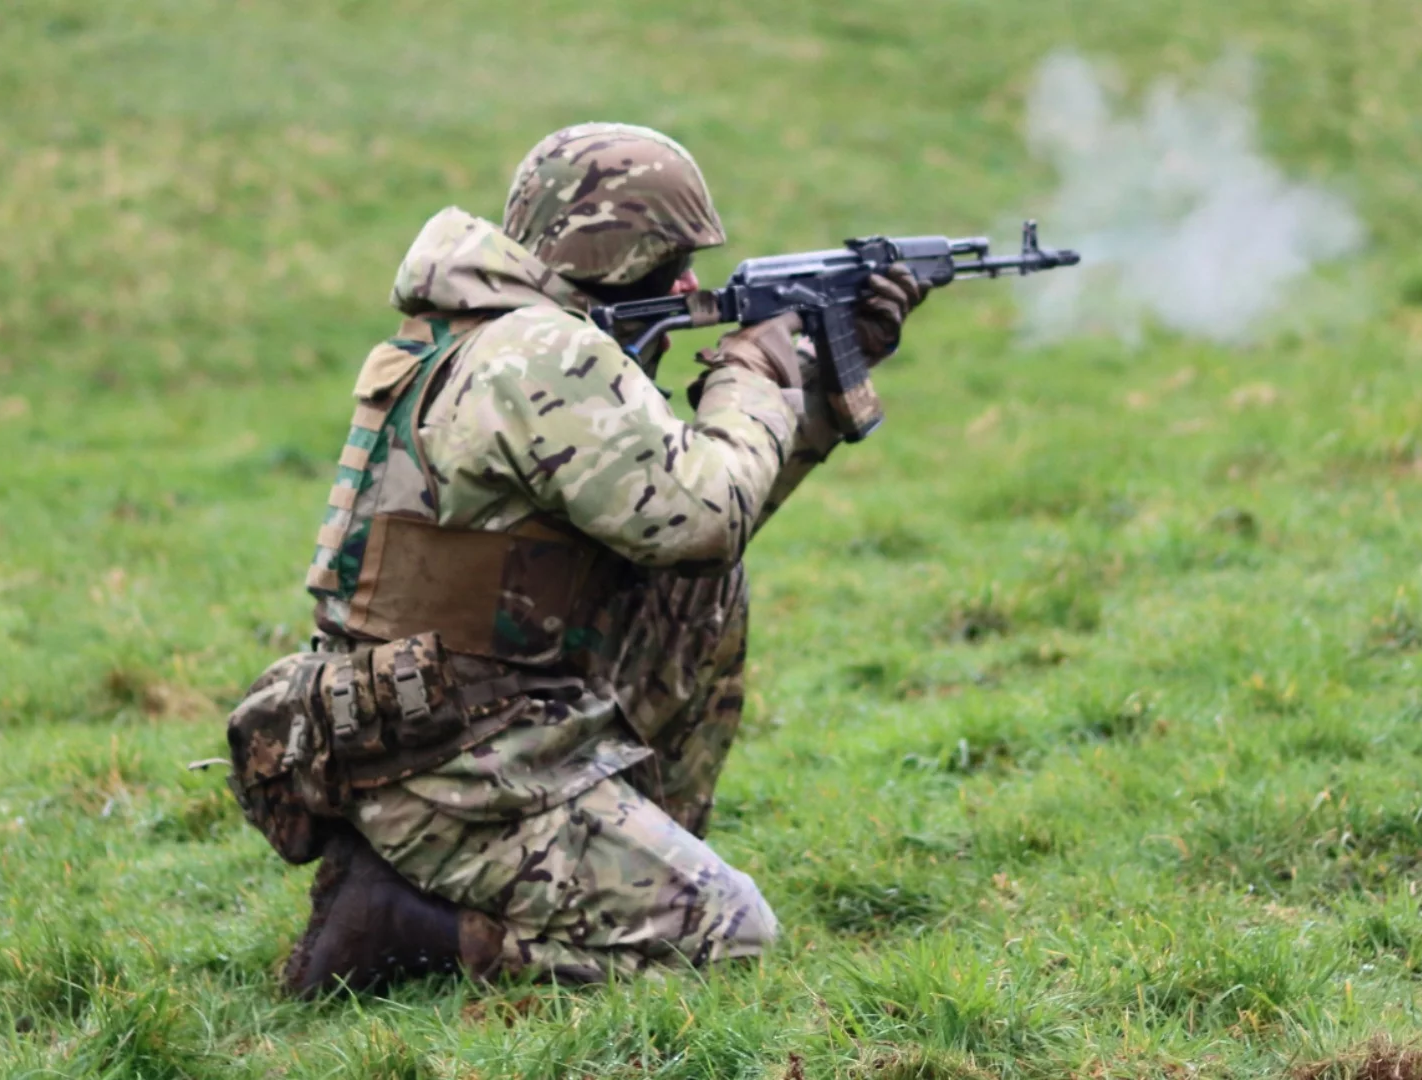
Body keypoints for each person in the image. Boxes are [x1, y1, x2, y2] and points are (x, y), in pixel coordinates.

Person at [227, 123, 925, 996]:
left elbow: (695, 530)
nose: (687, 284)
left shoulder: (496, 332)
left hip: (458, 720)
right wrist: (753, 373)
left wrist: (814, 381)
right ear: (614, 251)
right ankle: (410, 930)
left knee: (698, 591)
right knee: (732, 940)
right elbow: (701, 515)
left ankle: (633, 848)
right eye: (670, 258)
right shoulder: (542, 353)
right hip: (450, 758)